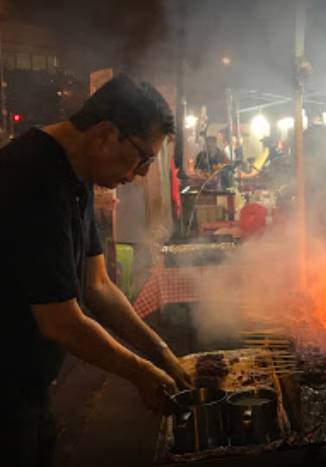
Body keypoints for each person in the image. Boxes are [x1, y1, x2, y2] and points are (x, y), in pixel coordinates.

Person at [0, 75, 193, 467]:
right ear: (107, 134)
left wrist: (163, 354)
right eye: (144, 158)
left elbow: (99, 285)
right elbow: (62, 321)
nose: (140, 174)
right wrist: (142, 374)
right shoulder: (30, 176)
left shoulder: (78, 175)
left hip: (29, 387)